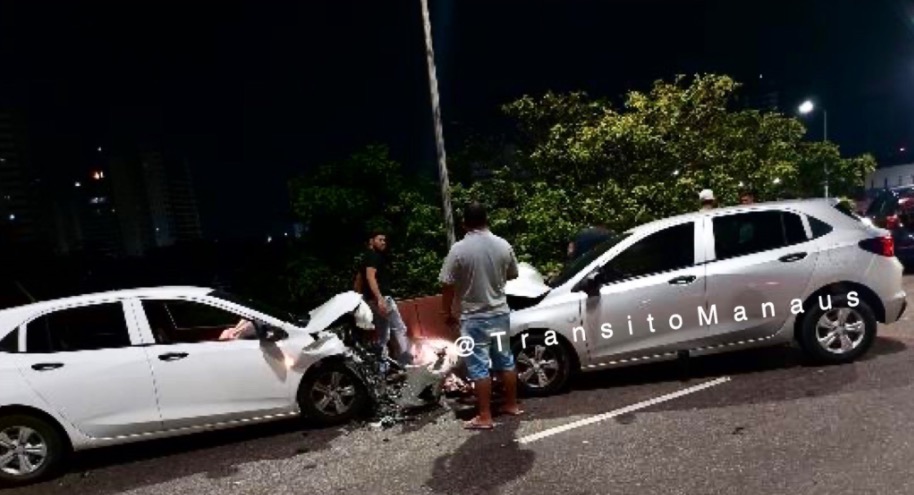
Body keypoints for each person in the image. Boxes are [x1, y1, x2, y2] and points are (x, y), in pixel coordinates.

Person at [439, 201, 523, 430]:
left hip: (473, 319)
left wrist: (446, 312)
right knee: (505, 360)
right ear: (487, 220)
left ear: (464, 223)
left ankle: (485, 416)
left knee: (478, 366)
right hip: (499, 314)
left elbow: (446, 284)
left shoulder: (458, 250)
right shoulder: (503, 245)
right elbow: (513, 274)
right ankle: (511, 405)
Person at [358, 229, 412, 372]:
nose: (383, 242)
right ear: (371, 241)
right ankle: (407, 363)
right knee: (400, 328)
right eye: (380, 239)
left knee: (383, 335)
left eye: (384, 240)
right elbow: (370, 277)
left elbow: (358, 281)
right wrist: (380, 298)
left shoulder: (365, 258)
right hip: (381, 299)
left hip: (371, 301)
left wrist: (360, 299)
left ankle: (381, 368)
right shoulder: (373, 256)